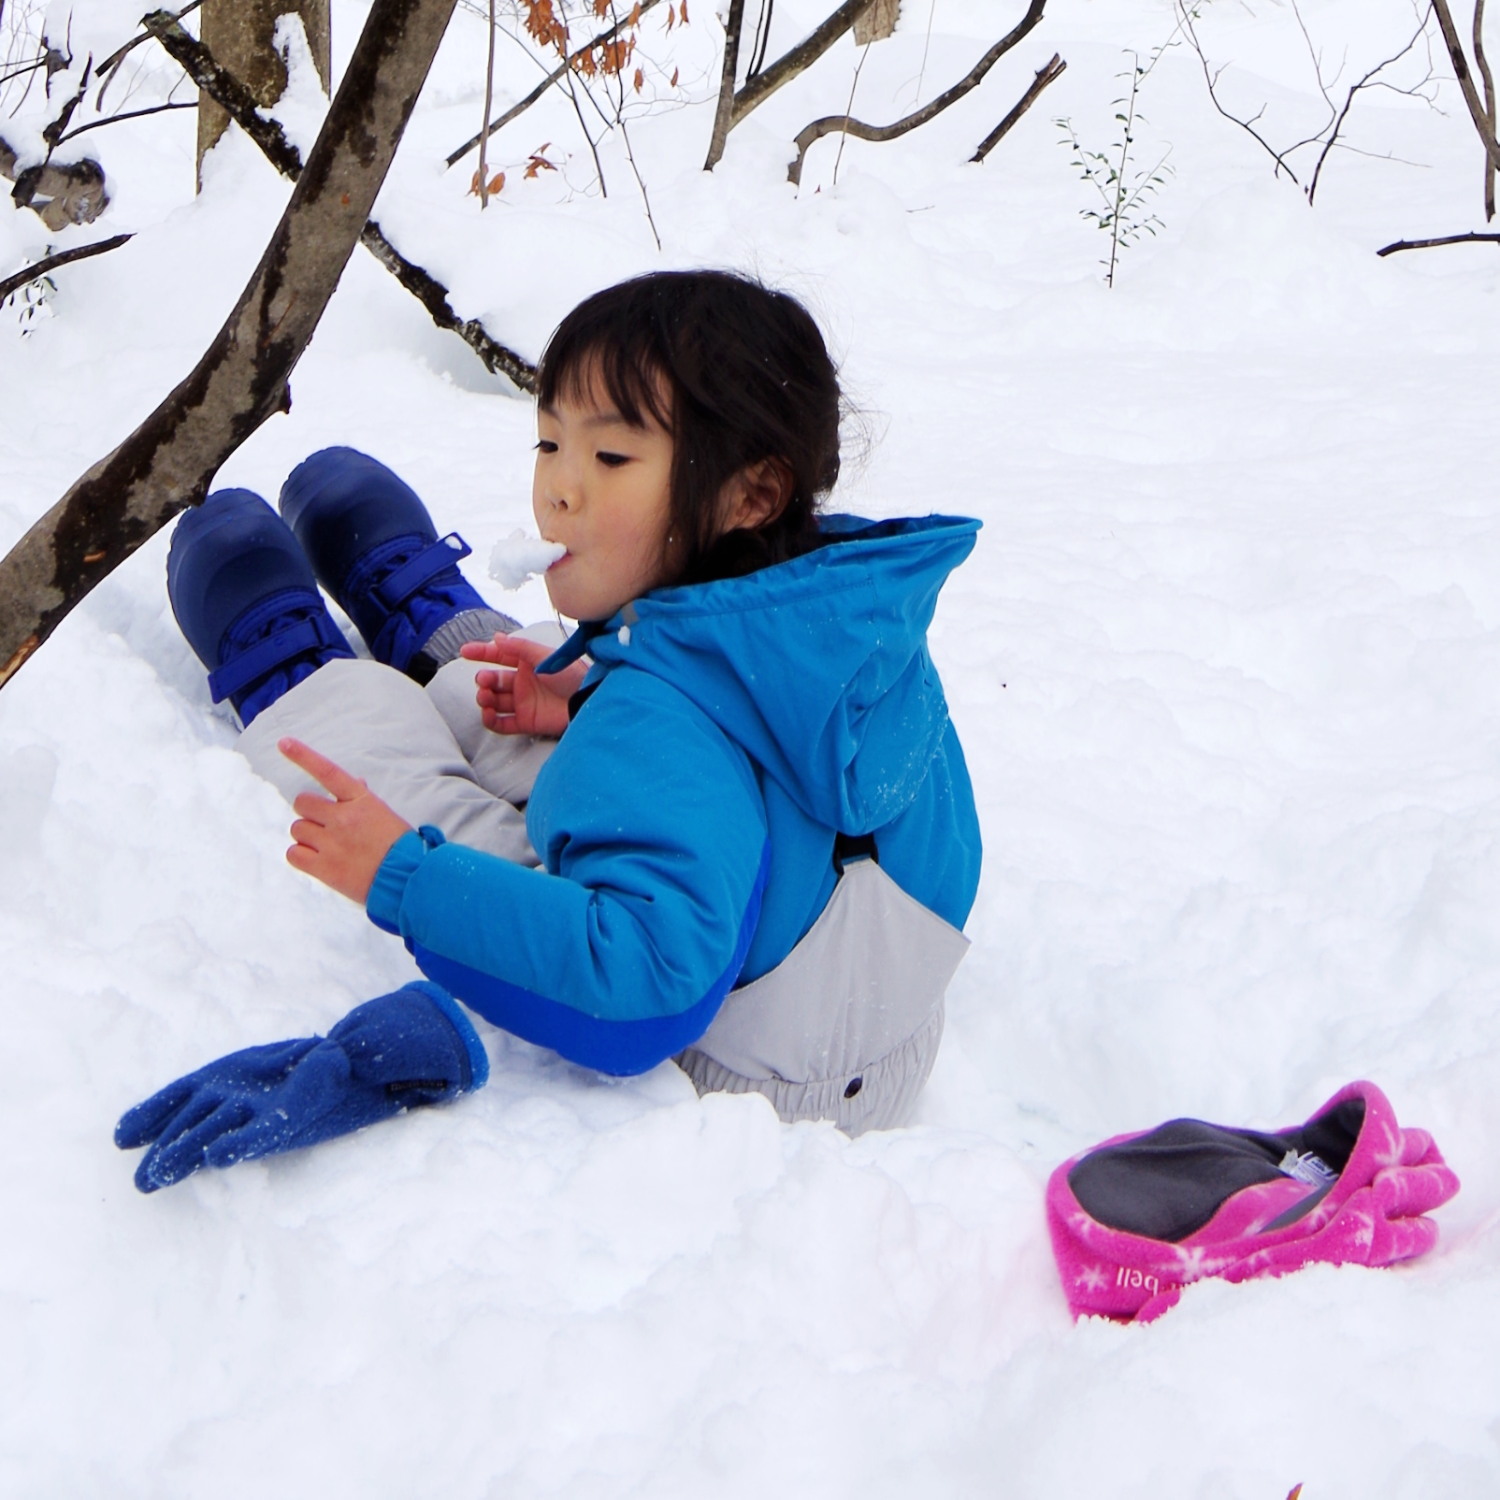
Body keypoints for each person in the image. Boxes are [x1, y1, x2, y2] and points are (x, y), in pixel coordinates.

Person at [115, 270, 983, 1193]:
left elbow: (643, 990)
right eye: (550, 441)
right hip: (876, 1021)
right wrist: (581, 707)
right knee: (576, 686)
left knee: (431, 806)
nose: (558, 490)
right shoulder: (847, 616)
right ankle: (446, 639)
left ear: (749, 495)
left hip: (742, 1080)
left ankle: (313, 684)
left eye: (609, 461)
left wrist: (403, 874)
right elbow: (766, 752)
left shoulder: (663, 726)